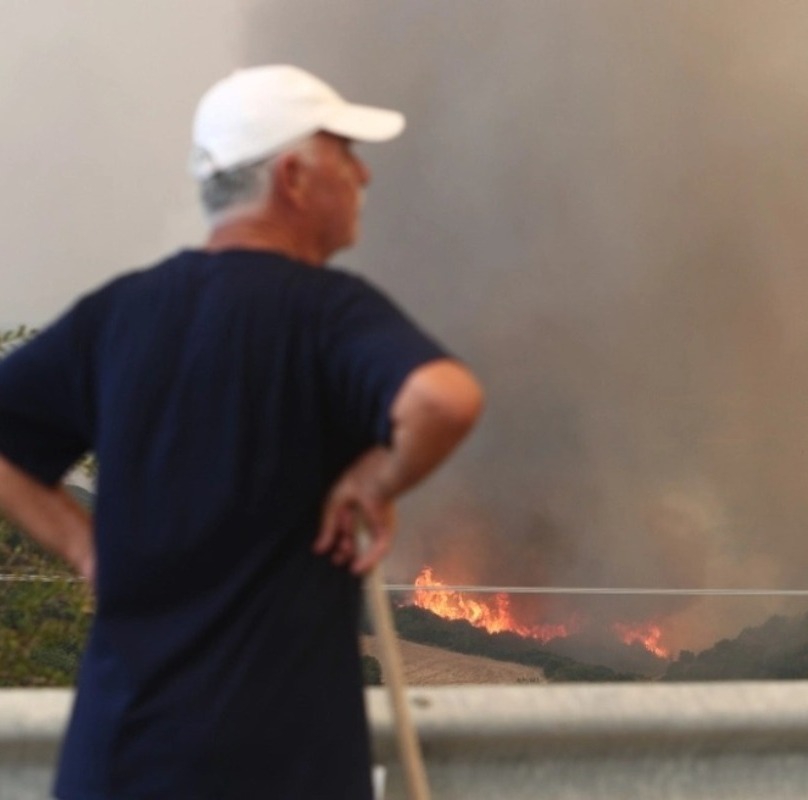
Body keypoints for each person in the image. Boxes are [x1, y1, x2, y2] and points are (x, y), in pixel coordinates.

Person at [0, 65, 483, 799]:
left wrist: (84, 547)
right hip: (280, 766)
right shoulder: (328, 313)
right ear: (293, 176)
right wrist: (377, 478)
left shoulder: (119, 313)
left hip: (119, 762)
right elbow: (444, 400)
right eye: (344, 153)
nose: (364, 175)